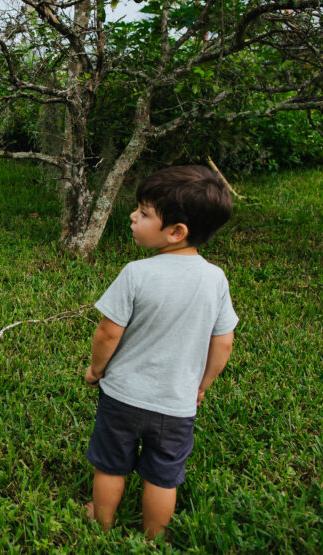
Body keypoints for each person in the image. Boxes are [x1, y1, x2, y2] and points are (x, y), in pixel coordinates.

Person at [83, 165, 237, 539]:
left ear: (176, 232)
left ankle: (100, 522)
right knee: (163, 476)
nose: (133, 216)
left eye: (145, 213)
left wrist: (95, 369)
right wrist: (202, 385)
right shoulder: (215, 279)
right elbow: (224, 340)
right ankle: (154, 537)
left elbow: (107, 332)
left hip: (122, 397)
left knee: (110, 466)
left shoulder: (136, 273)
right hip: (176, 404)